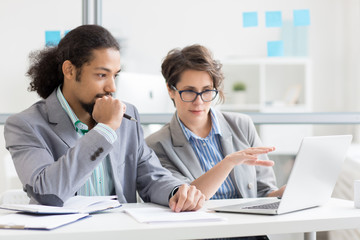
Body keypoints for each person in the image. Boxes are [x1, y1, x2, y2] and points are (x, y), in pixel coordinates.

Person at [4, 25, 205, 212]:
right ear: (69, 70)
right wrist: (105, 129)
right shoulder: (25, 125)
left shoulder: (127, 115)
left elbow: (150, 176)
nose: (112, 88)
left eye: (114, 76)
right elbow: (47, 193)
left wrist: (176, 191)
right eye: (101, 75)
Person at [146, 44, 285, 203]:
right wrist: (229, 162)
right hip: (202, 226)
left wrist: (284, 193)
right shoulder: (156, 146)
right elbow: (186, 199)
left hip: (247, 225)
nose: (199, 101)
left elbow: (264, 192)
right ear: (171, 90)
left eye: (206, 91)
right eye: (189, 91)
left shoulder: (242, 125)